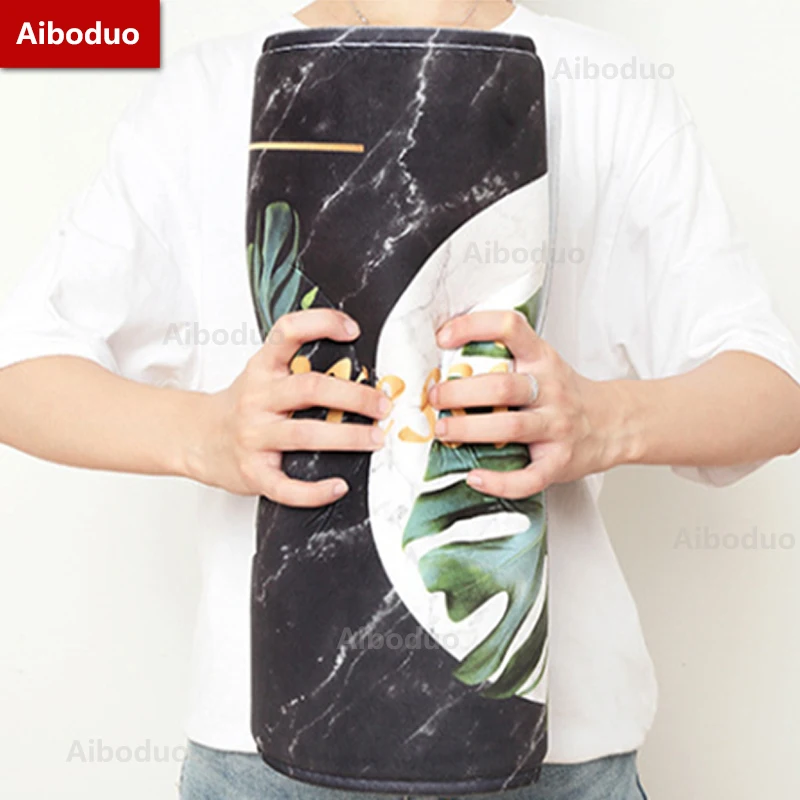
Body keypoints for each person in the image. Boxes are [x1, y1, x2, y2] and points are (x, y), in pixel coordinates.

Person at [1, 1, 799, 798]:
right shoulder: (206, 91)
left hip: (560, 754)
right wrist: (203, 432)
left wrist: (601, 421)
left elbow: (774, 392)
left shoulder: (611, 87)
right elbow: (21, 371)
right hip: (263, 752)